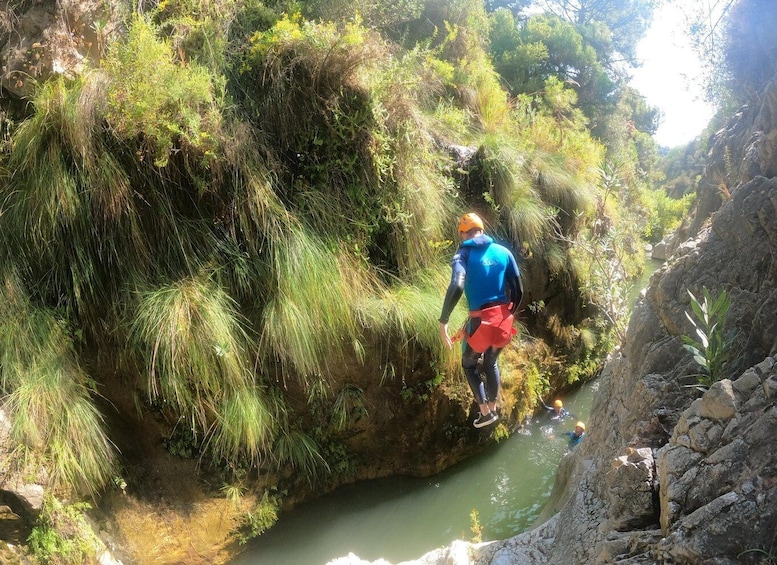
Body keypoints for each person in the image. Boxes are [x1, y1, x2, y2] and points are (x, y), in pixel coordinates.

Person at [439, 212, 524, 428]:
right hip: (504, 320)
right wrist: (509, 312)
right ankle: (493, 408)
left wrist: (444, 320)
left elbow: (457, 284)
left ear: (463, 234)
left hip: (480, 323)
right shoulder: (504, 252)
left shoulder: (464, 254)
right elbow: (518, 290)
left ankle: (485, 412)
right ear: (482, 230)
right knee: (491, 362)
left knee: (469, 364)